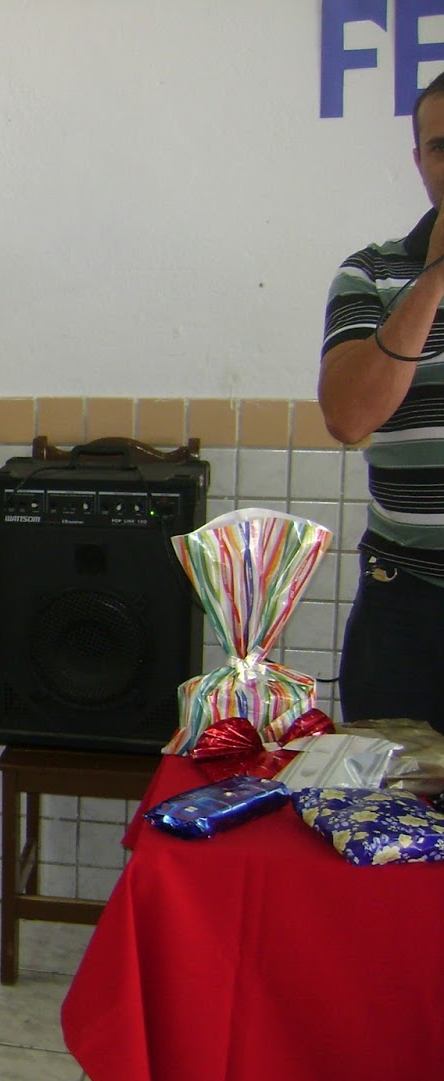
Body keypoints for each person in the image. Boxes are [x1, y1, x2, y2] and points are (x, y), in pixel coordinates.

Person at [320, 71, 444, 733]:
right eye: (442, 148)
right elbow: (349, 417)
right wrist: (435, 277)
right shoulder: (371, 272)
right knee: (390, 798)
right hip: (407, 608)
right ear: (419, 161)